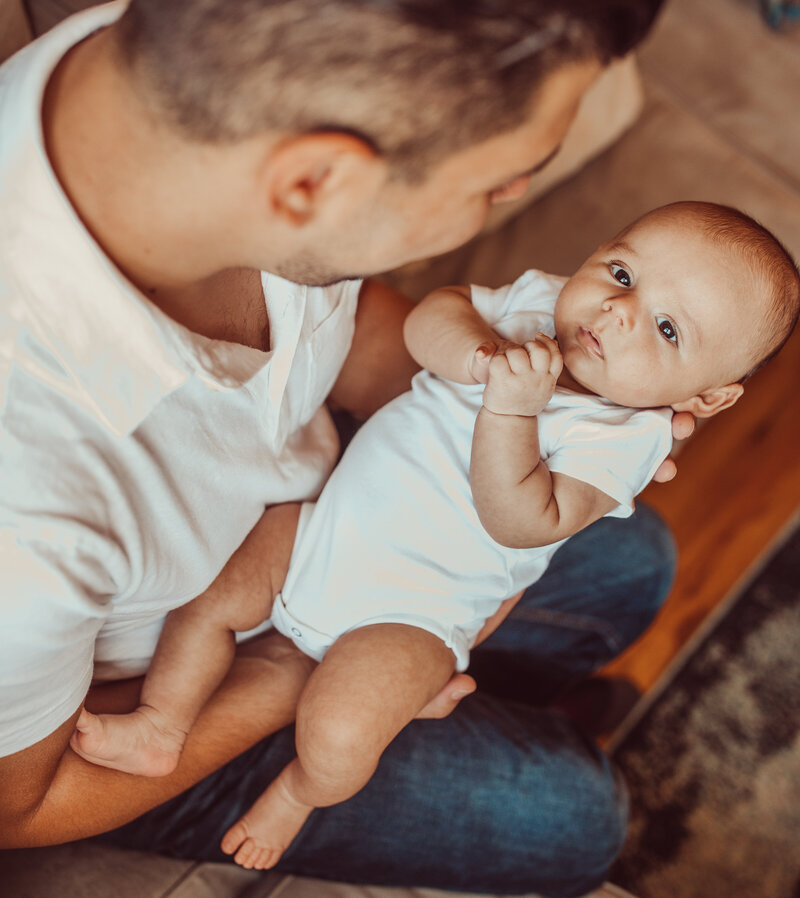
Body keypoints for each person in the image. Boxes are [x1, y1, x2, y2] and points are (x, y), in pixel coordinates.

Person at [0, 1, 689, 895]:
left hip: (323, 502)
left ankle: (480, 697)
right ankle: (467, 718)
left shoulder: (180, 71)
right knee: (577, 814)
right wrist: (295, 670)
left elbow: (340, 316)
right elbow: (21, 810)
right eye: (497, 183)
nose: (510, 202)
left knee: (633, 557)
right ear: (314, 183)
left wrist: (554, 423)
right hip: (177, 680)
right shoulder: (27, 516)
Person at [68, 201, 800, 872]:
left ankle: (298, 791)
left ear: (705, 397)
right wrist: (474, 356)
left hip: (407, 616)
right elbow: (434, 319)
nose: (616, 313)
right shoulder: (539, 303)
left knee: (343, 730)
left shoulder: (627, 437)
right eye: (621, 272)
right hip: (323, 528)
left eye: (668, 330)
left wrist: (510, 412)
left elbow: (524, 521)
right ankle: (161, 722)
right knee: (212, 604)